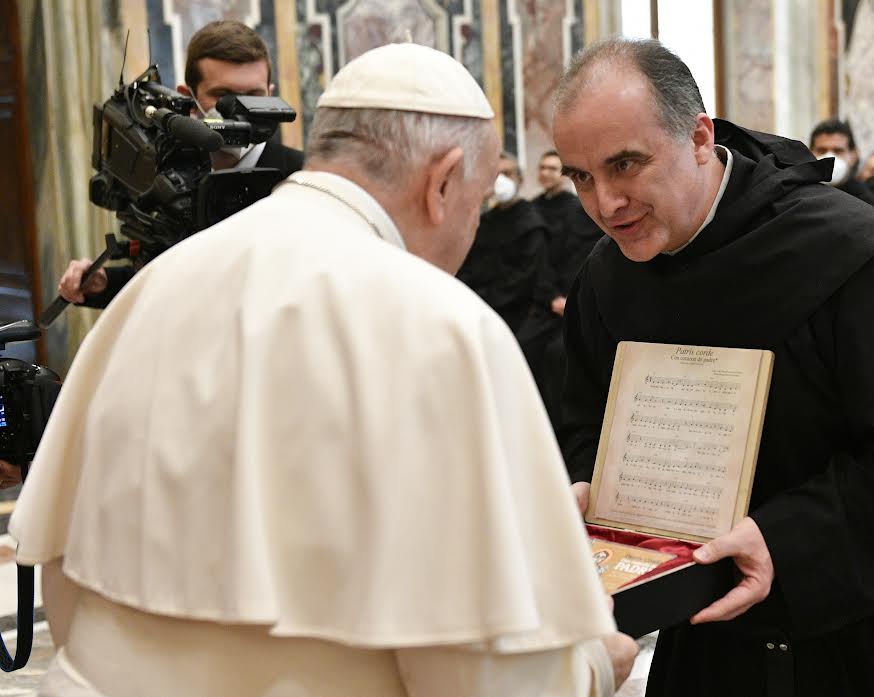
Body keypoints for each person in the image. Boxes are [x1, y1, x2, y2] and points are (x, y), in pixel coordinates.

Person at [11, 42, 636, 696]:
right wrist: (594, 664)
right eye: (476, 203)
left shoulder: (152, 286)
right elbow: (483, 679)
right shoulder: (440, 324)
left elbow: (64, 574)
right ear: (444, 182)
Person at [553, 37, 874, 696]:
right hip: (705, 642)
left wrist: (782, 540)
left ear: (699, 137)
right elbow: (585, 419)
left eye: (626, 164)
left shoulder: (848, 252)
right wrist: (590, 483)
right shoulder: (606, 280)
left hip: (862, 640)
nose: (605, 204)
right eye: (581, 177)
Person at [57, 20, 304, 310]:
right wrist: (104, 283)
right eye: (223, 96)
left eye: (254, 95)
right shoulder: (164, 173)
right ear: (188, 97)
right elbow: (164, 276)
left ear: (270, 94)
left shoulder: (301, 177)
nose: (240, 109)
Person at [524, 150, 603, 439]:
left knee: (560, 355)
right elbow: (538, 260)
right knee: (526, 345)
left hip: (572, 296)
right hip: (545, 297)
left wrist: (568, 298)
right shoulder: (532, 209)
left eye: (552, 168)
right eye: (542, 167)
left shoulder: (577, 211)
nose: (546, 173)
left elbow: (581, 257)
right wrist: (550, 296)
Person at [456, 152, 548, 337]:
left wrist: (487, 297)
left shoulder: (531, 223)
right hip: (475, 306)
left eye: (507, 174)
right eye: (496, 174)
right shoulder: (484, 220)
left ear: (519, 179)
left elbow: (526, 275)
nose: (500, 180)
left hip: (514, 314)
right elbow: (469, 262)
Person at [809, 118, 874, 215]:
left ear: (854, 156)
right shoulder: (800, 197)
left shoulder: (872, 206)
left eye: (838, 151)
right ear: (809, 154)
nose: (829, 157)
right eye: (821, 150)